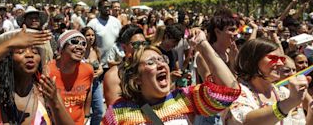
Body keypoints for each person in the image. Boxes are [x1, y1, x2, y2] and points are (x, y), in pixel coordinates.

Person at [103, 29, 241, 124]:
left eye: (162, 60)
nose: (160, 65)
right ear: (137, 79)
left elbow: (230, 91)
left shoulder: (184, 98)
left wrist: (203, 45)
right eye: (151, 62)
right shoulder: (118, 112)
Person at [225, 38, 313, 124]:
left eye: (281, 59)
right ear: (253, 60)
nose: (281, 64)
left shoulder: (284, 93)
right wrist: (290, 102)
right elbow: (246, 121)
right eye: (273, 58)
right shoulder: (237, 93)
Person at [48, 30, 94, 125]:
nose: (80, 47)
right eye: (74, 42)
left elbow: (89, 90)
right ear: (62, 48)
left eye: (83, 44)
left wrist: (86, 115)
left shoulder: (88, 70)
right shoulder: (48, 70)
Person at [103, 24, 147, 106]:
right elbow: (116, 112)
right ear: (124, 47)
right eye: (136, 44)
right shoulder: (113, 76)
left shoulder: (151, 69)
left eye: (144, 43)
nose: (142, 47)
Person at [87, 0, 122, 71]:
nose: (107, 9)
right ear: (99, 9)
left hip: (114, 64)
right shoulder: (93, 23)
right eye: (105, 7)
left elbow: (121, 40)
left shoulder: (116, 22)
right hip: (99, 65)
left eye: (109, 7)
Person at [81, 27, 104, 125]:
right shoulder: (79, 50)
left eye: (92, 35)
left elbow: (100, 67)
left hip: (95, 84)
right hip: (83, 85)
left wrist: (99, 72)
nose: (91, 37)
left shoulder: (96, 50)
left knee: (99, 110)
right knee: (82, 111)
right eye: (88, 35)